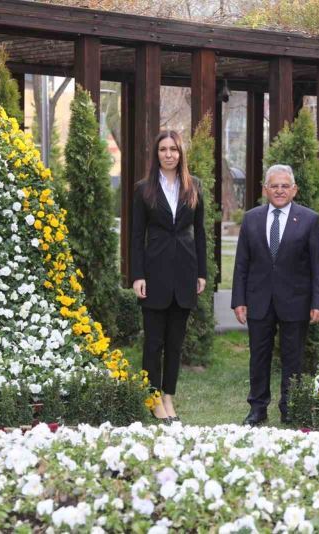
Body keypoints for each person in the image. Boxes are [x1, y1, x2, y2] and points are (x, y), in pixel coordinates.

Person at [231, 164, 319, 426]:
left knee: (293, 357)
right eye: (274, 186)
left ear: (294, 190)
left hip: (296, 301)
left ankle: (290, 407)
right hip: (259, 300)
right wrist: (239, 300)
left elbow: (318, 266)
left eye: (285, 186)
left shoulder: (309, 219)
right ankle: (257, 408)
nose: (280, 190)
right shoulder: (251, 219)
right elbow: (241, 263)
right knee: (258, 356)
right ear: (265, 189)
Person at [131, 130, 207, 423]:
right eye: (163, 149)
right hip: (154, 274)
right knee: (154, 342)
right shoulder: (144, 189)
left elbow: (200, 232)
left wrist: (201, 272)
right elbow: (136, 236)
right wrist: (138, 275)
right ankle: (152, 398)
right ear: (156, 154)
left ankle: (168, 397)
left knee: (175, 343)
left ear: (180, 153)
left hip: (185, 273)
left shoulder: (194, 186)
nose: (169, 154)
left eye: (173, 149)